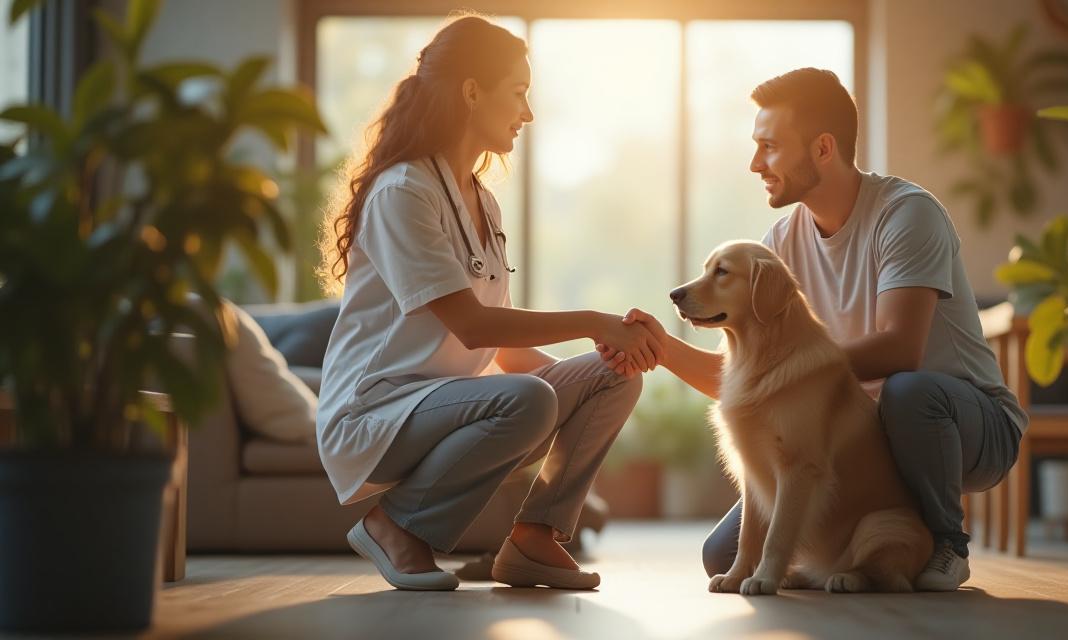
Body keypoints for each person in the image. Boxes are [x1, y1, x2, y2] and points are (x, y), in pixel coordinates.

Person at [602, 68, 1029, 592]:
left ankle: (946, 543)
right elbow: (752, 379)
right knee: (723, 557)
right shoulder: (780, 242)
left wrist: (794, 375)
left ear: (823, 148)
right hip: (856, 437)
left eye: (770, 147)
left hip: (960, 426)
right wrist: (663, 348)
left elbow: (900, 349)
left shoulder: (906, 215)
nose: (755, 163)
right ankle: (850, 562)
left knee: (908, 393)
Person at [316, 15, 662, 592]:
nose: (527, 112)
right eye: (518, 93)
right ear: (472, 92)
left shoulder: (482, 202)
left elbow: (501, 351)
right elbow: (473, 327)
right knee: (529, 399)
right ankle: (392, 526)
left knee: (611, 378)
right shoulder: (404, 191)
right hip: (376, 416)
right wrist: (595, 324)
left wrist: (580, 389)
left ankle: (535, 538)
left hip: (444, 406)